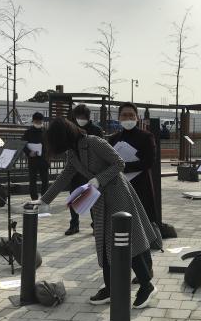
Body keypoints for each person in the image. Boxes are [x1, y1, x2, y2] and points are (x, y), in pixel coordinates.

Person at [32, 118, 158, 309]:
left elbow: (119, 163)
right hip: (99, 199)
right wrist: (44, 200)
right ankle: (111, 287)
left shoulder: (93, 142)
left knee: (127, 241)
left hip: (117, 194)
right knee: (105, 243)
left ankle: (147, 286)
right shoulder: (73, 152)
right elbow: (65, 176)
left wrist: (99, 179)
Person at [109, 102, 158, 281]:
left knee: (142, 229)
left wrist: (123, 166)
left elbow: (149, 161)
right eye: (124, 115)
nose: (128, 118)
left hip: (141, 187)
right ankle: (126, 267)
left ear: (137, 117)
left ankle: (147, 269)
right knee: (123, 228)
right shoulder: (113, 139)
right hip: (120, 188)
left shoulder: (146, 137)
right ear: (119, 118)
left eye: (131, 115)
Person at [65, 104, 103, 236]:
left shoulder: (96, 130)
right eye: (78, 117)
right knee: (74, 196)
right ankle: (74, 224)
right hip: (76, 169)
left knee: (92, 198)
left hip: (91, 171)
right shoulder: (72, 129)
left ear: (88, 117)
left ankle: (95, 225)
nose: (80, 119)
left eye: (83, 117)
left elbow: (101, 149)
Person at [22, 112, 49, 200]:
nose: (38, 123)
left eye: (40, 122)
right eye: (36, 122)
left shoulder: (46, 131)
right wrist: (29, 152)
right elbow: (22, 144)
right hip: (32, 159)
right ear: (33, 121)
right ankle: (34, 198)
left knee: (45, 180)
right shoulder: (28, 132)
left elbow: (50, 144)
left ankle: (44, 198)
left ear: (42, 121)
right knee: (32, 180)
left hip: (44, 159)